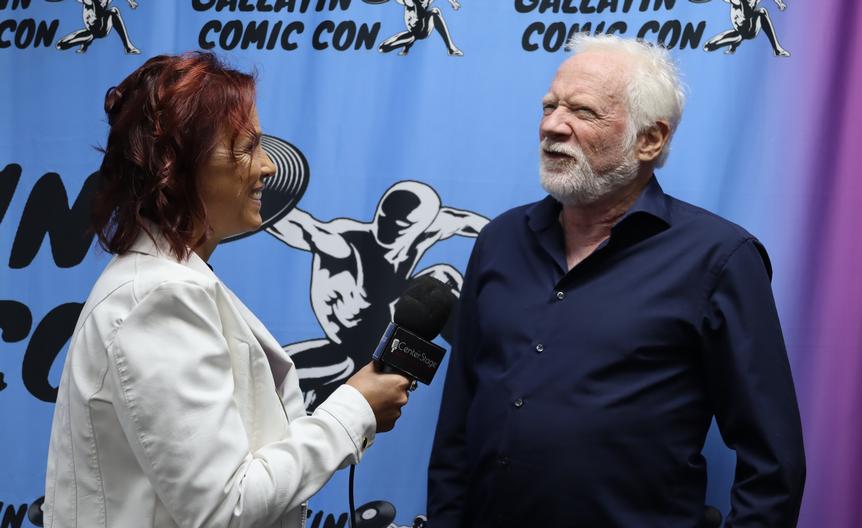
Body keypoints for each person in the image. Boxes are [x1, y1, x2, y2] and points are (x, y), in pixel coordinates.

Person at [427, 34, 806, 527]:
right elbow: (456, 424)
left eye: (582, 111)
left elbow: (773, 464)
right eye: (549, 106)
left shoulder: (719, 258)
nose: (552, 126)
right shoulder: (499, 240)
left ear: (650, 140)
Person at [43, 52, 411, 528]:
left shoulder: (168, 282)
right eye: (247, 147)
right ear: (179, 165)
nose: (268, 167)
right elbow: (223, 506)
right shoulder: (159, 297)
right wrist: (352, 411)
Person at [267, 181, 488, 409]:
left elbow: (470, 223)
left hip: (392, 334)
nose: (388, 228)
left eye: (401, 226)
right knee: (276, 378)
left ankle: (483, 354)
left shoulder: (427, 232)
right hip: (347, 342)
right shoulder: (342, 241)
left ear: (421, 226)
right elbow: (299, 226)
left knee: (443, 277)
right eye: (384, 217)